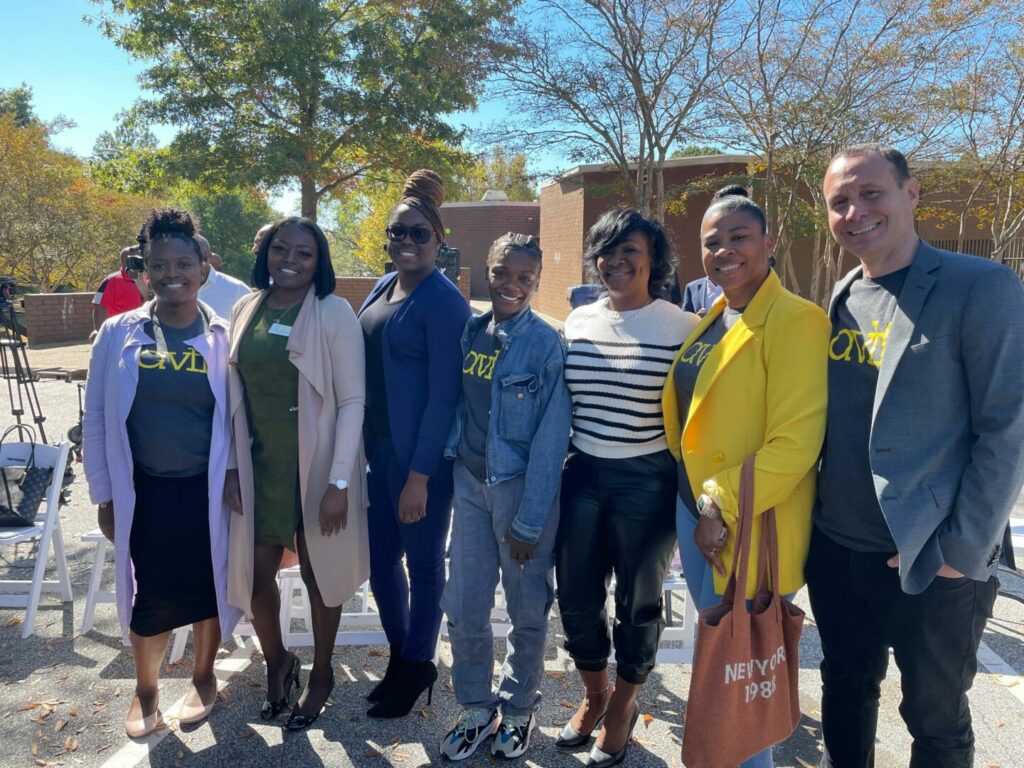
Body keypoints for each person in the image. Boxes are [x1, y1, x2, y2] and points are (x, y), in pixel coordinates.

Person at [809, 144, 1024, 768]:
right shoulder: (843, 296)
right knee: (846, 693)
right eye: (840, 202)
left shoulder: (981, 286)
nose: (855, 211)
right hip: (839, 547)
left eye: (870, 193)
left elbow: (1006, 429)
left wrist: (961, 550)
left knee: (934, 718)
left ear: (912, 194)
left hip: (932, 559)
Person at [662, 186, 830, 768]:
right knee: (721, 662)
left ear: (769, 242)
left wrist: (718, 505)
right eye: (713, 243)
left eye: (739, 237)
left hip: (745, 523)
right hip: (697, 514)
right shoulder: (715, 314)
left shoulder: (796, 321)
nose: (725, 251)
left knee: (744, 671)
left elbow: (797, 441)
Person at [83, 208, 241, 737]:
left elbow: (237, 419)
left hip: (206, 487)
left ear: (203, 267)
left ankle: (202, 677)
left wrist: (236, 476)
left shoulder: (222, 336)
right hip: (143, 488)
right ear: (143, 271)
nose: (172, 273)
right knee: (148, 594)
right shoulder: (117, 333)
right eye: (158, 264)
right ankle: (146, 688)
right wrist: (103, 492)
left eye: (183, 262)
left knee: (208, 586)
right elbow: (98, 418)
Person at [557, 208, 698, 768]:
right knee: (576, 598)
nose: (617, 261)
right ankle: (595, 695)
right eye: (607, 251)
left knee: (638, 604)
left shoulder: (683, 328)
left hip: (648, 480)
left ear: (654, 258)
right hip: (583, 473)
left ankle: (625, 703)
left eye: (630, 250)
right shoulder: (578, 322)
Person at [224, 216, 369, 732]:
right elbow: (233, 398)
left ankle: (323, 674)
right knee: (253, 576)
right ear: (265, 252)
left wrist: (340, 481)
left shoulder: (334, 313)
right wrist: (234, 467)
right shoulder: (246, 308)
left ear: (319, 261)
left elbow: (353, 400)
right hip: (262, 466)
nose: (289, 260)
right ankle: (279, 661)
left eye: (303, 253)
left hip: (317, 467)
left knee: (319, 575)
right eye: (280, 248)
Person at [438, 233, 572, 761]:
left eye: (524, 278)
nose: (511, 285)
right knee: (465, 604)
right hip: (471, 484)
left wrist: (530, 522)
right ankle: (476, 706)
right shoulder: (474, 330)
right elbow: (462, 411)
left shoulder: (546, 344)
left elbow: (550, 439)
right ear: (486, 271)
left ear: (537, 282)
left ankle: (518, 709)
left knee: (526, 609)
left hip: (520, 491)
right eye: (501, 273)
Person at [357, 169, 470, 719]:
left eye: (418, 233)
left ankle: (419, 660)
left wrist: (420, 476)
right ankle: (402, 655)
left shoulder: (443, 303)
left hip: (419, 461)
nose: (405, 242)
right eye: (396, 232)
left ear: (439, 239)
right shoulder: (384, 284)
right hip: (378, 450)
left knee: (423, 567)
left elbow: (444, 397)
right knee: (380, 562)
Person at [89, 245, 149, 341]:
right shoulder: (111, 280)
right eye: (135, 258)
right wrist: (99, 331)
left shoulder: (146, 280)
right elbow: (99, 306)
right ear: (125, 260)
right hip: (120, 334)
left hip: (144, 334)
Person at [195, 234, 252, 320]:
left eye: (199, 259)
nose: (194, 265)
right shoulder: (171, 290)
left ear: (209, 256)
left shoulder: (238, 290)